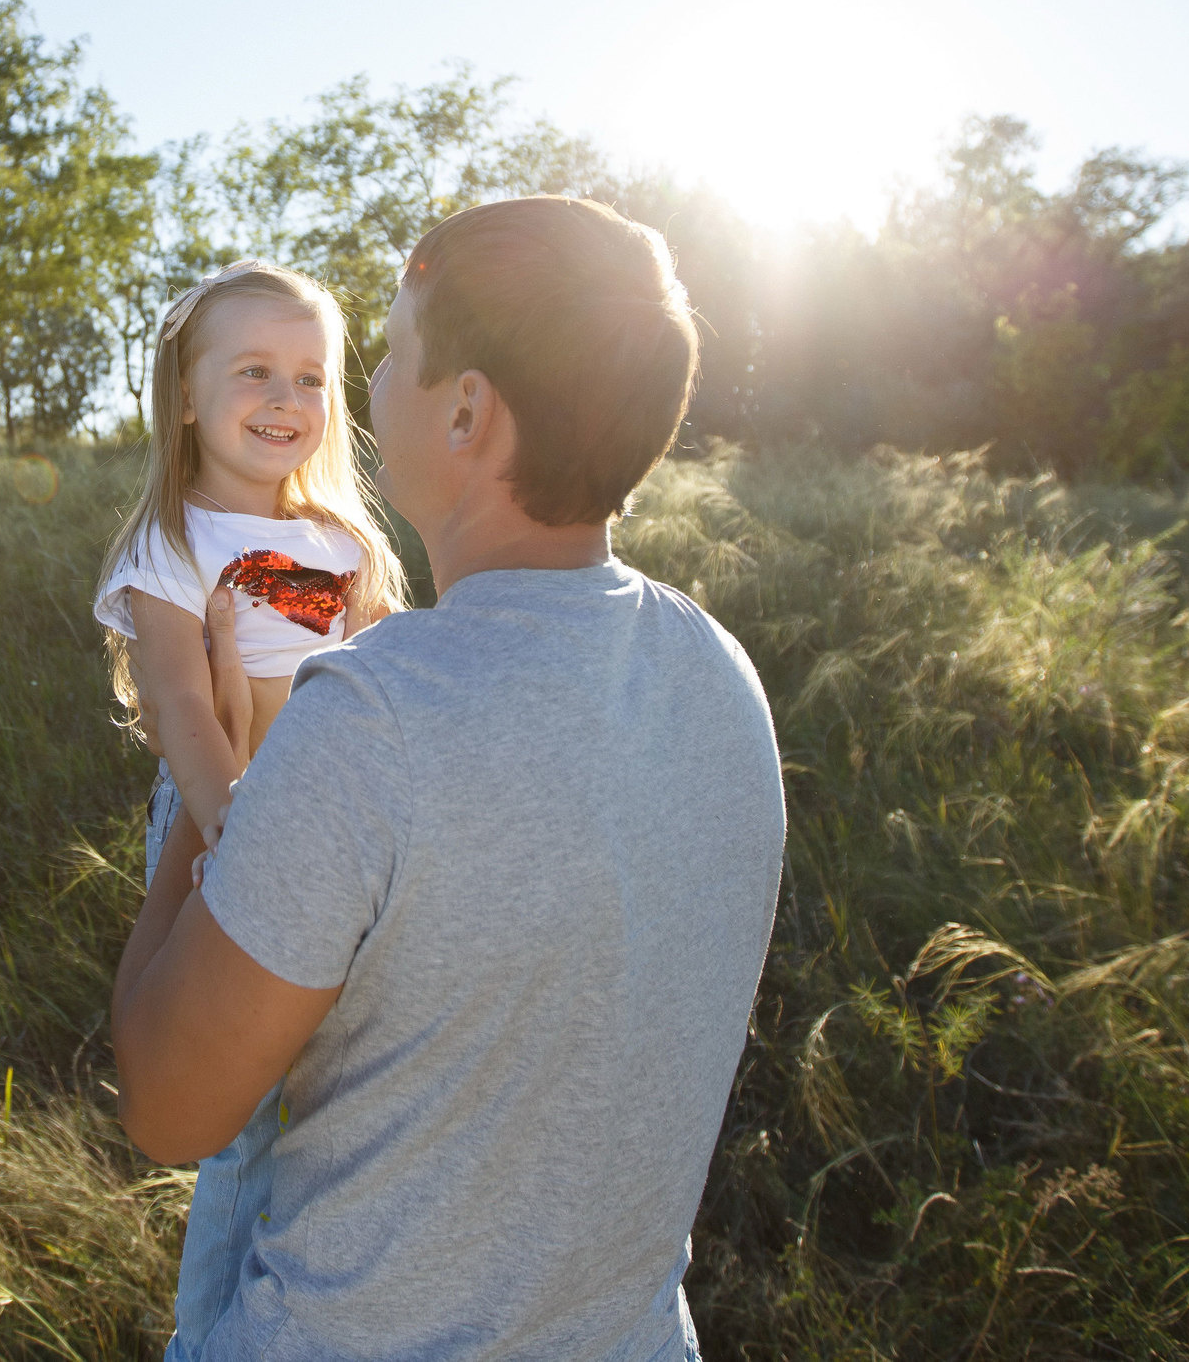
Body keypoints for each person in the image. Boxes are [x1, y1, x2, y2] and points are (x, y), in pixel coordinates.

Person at [112, 196, 788, 1362]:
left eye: (387, 355)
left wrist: (213, 781)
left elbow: (170, 1109)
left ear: (466, 408)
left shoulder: (371, 721)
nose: (360, 395)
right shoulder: (719, 671)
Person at [94, 258, 408, 1358]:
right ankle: (211, 1330)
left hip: (343, 835)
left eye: (311, 377)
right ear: (185, 396)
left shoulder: (340, 546)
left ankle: (319, 1295)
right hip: (223, 828)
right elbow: (183, 703)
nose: (286, 401)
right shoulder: (170, 548)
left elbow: (378, 677)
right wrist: (233, 823)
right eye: (254, 374)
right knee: (234, 1109)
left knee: (329, 1081)